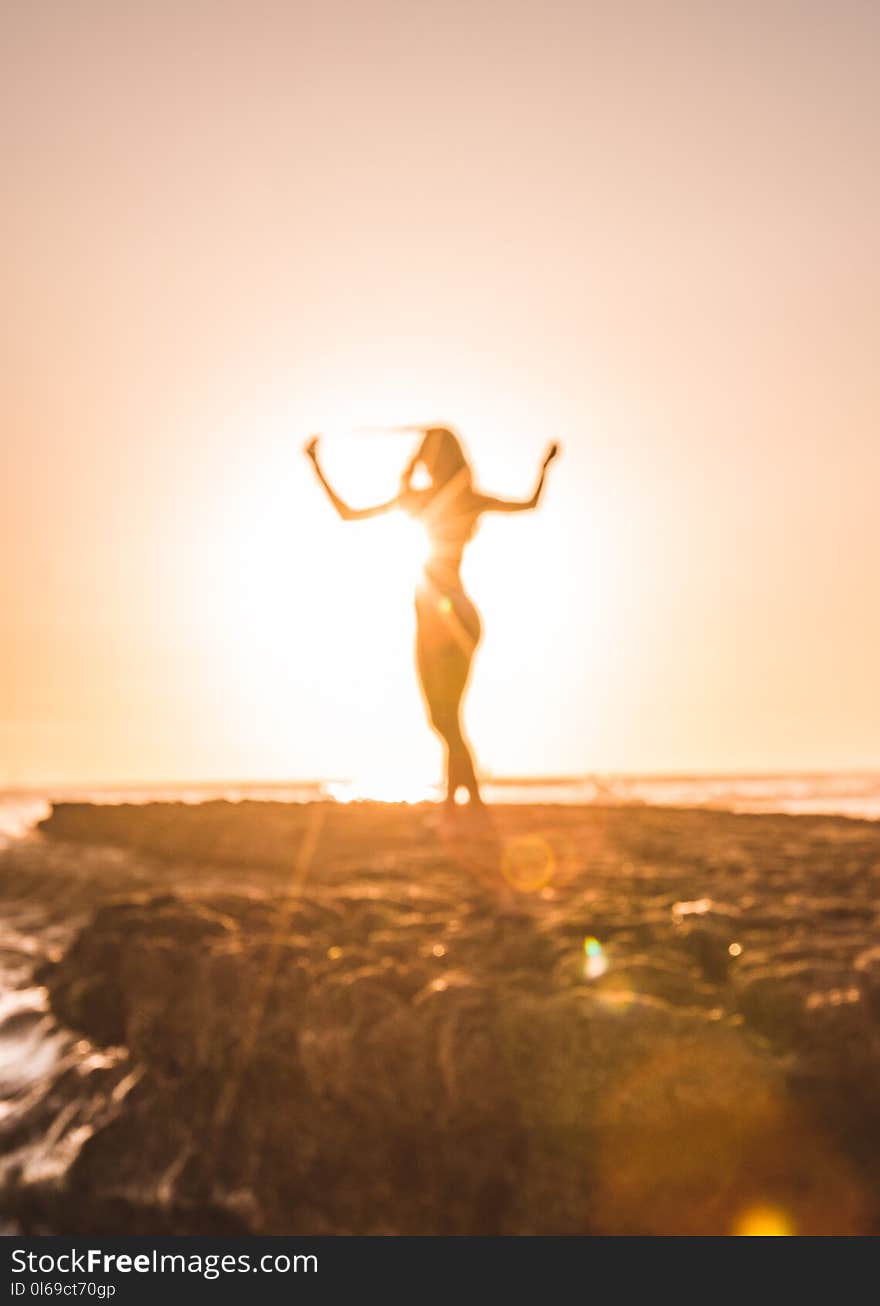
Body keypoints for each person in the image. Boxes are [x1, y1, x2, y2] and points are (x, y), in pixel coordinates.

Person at [304, 427, 559, 817]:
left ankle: (465, 804)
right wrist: (545, 466)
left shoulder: (422, 498)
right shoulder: (462, 497)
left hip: (443, 613)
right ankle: (458, 803)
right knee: (445, 717)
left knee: (445, 717)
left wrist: (316, 463)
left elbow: (349, 513)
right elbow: (529, 504)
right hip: (451, 613)